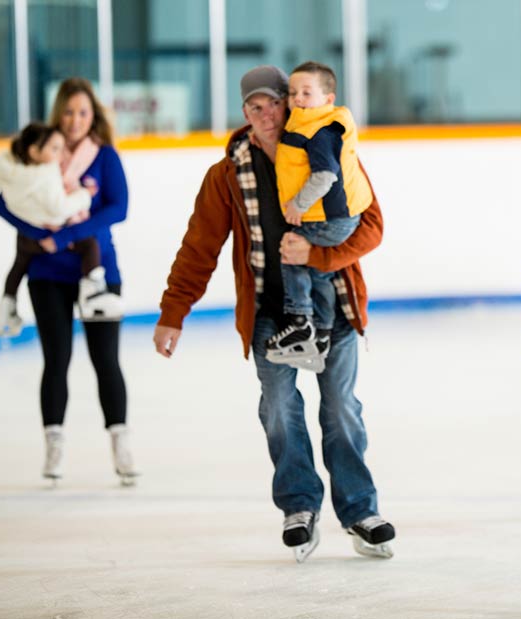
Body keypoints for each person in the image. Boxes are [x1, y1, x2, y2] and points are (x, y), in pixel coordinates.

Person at [153, 65, 395, 563]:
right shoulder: (227, 174)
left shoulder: (323, 145)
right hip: (269, 310)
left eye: (273, 103)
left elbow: (370, 227)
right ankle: (300, 507)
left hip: (337, 306)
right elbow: (200, 247)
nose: (265, 114)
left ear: (290, 103)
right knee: (281, 411)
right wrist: (173, 312)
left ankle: (359, 510)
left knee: (341, 410)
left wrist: (317, 257)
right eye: (253, 107)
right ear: (244, 113)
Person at [0, 78, 134, 486]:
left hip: (97, 270)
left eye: (83, 112)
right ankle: (53, 444)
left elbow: (119, 208)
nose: (75, 120)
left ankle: (120, 443)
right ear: (59, 114)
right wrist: (41, 236)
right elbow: (3, 203)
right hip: (48, 273)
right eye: (69, 112)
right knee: (55, 361)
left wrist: (66, 236)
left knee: (106, 361)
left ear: (93, 116)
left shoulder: (104, 156)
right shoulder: (39, 153)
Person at [266, 61, 373, 371]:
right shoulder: (305, 123)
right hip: (335, 219)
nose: (298, 98)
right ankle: (321, 332)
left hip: (329, 219)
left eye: (307, 93)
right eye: (293, 92)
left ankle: (300, 319)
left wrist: (298, 205)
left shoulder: (320, 129)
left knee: (292, 250)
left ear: (328, 99)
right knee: (319, 271)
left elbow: (325, 176)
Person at [0, 122, 119, 338]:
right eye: (55, 149)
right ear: (35, 151)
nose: (60, 154)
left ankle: (7, 303)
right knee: (90, 245)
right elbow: (59, 206)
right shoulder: (46, 173)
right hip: (54, 234)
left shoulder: (15, 172)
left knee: (19, 263)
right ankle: (92, 292)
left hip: (29, 238)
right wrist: (84, 195)